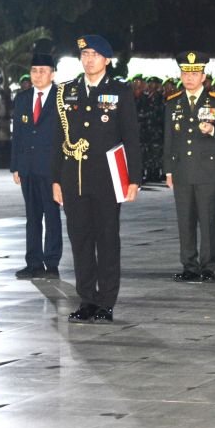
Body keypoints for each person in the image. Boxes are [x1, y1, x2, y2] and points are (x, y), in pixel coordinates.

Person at [51, 34, 141, 324]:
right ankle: (87, 299)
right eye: (85, 54)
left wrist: (134, 179)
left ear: (107, 60)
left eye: (95, 54)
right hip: (73, 178)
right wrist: (55, 180)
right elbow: (57, 139)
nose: (88, 59)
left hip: (107, 179)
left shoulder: (119, 91)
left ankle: (106, 302)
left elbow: (131, 138)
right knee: (80, 240)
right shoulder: (66, 91)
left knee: (107, 240)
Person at [164, 51, 215, 284]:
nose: (189, 77)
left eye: (194, 73)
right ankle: (189, 266)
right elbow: (168, 139)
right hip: (182, 169)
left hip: (207, 170)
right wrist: (168, 170)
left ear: (203, 75)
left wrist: (213, 130)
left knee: (207, 220)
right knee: (184, 220)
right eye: (186, 72)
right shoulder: (173, 102)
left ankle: (207, 267)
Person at [11, 51, 62, 280]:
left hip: (51, 168)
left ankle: (51, 263)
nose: (37, 75)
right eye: (34, 71)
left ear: (52, 74)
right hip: (28, 167)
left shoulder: (62, 98)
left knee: (52, 216)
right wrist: (15, 166)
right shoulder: (22, 99)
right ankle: (33, 262)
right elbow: (18, 135)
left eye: (42, 71)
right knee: (32, 217)